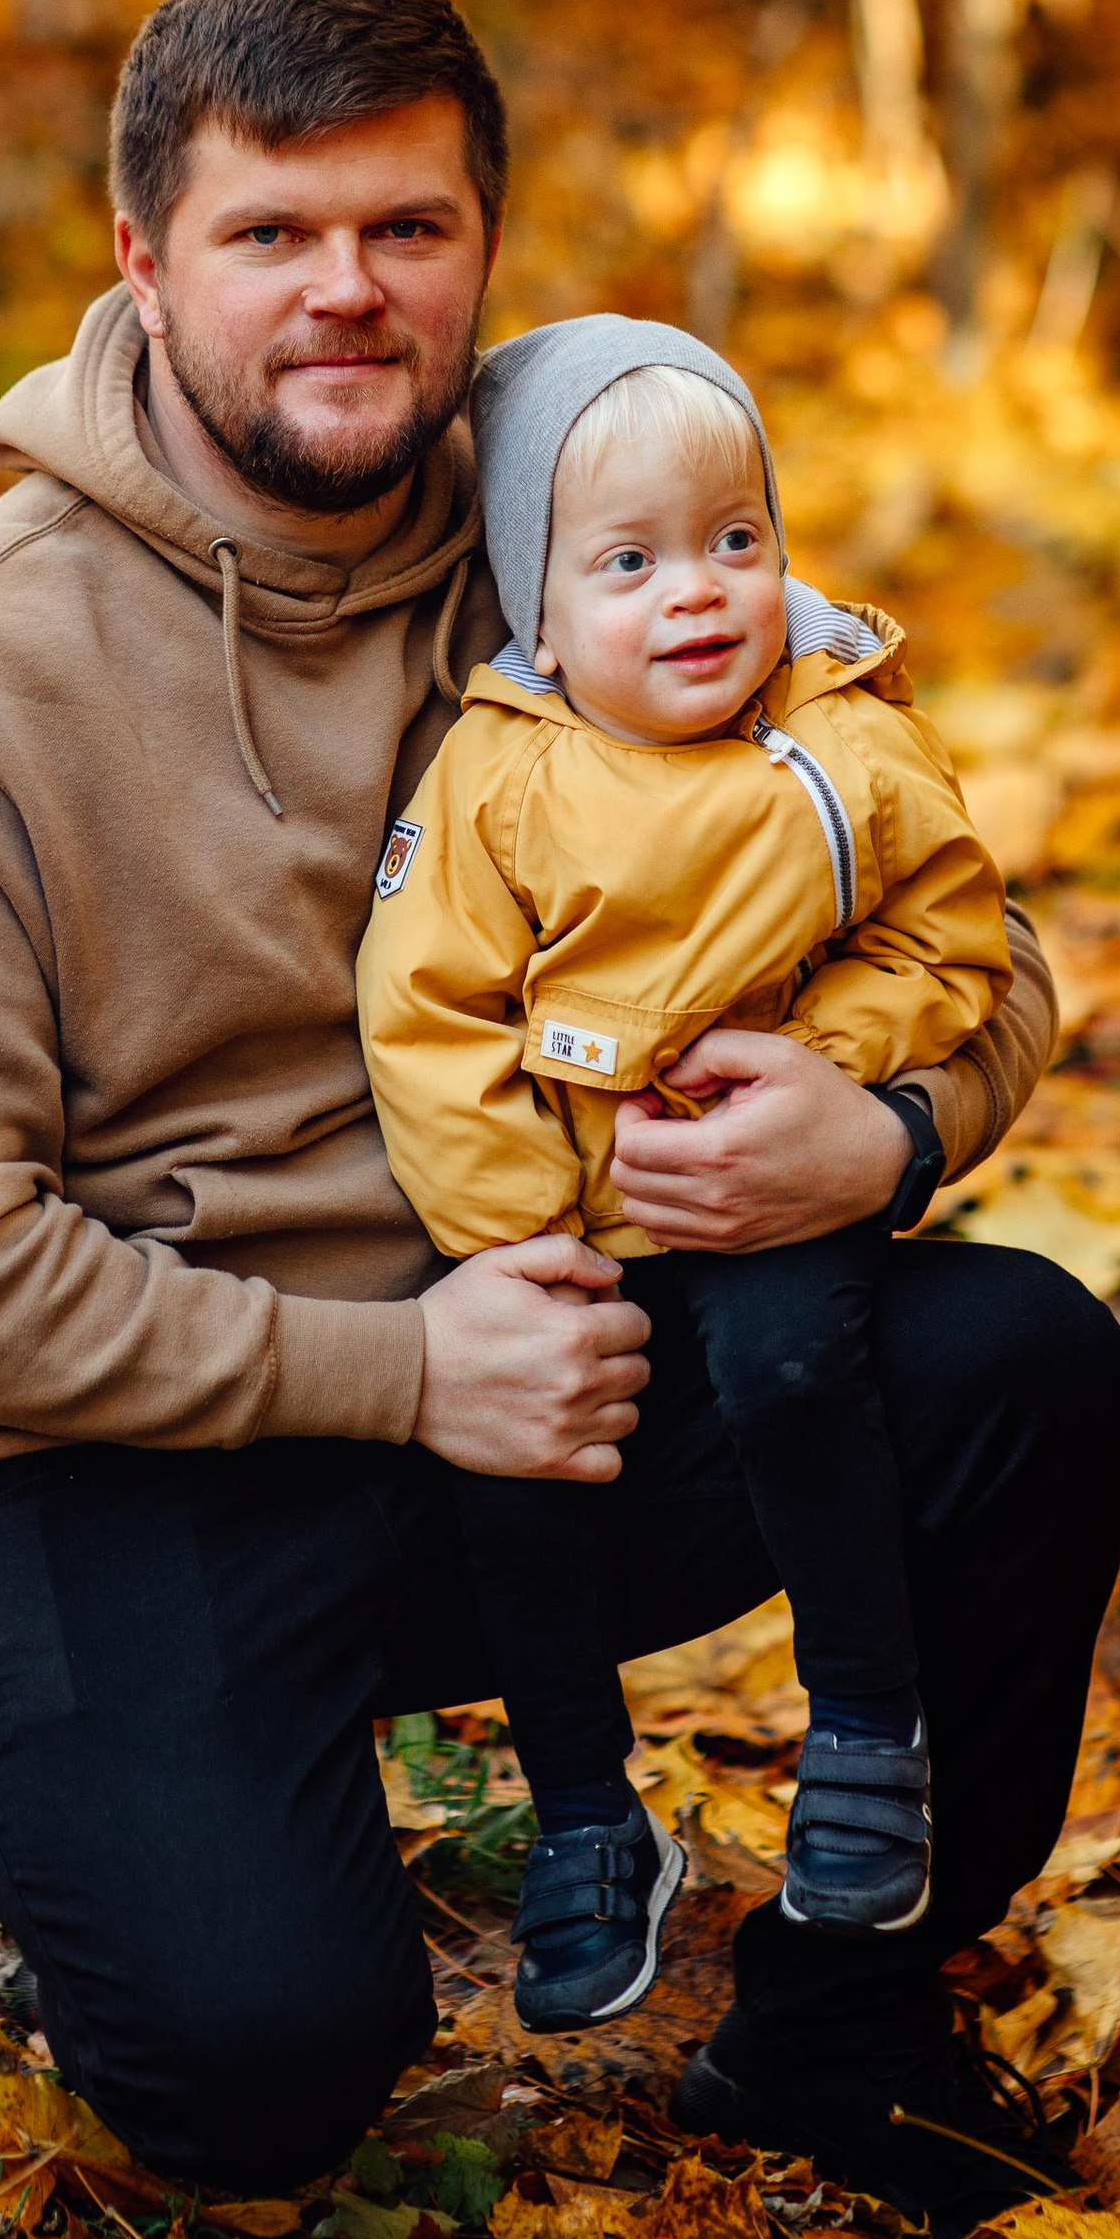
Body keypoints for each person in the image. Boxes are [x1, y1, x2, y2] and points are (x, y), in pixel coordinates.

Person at [0, 0, 1120, 2233]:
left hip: (536, 1386)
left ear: (483, 241)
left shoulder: (598, 548)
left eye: (407, 228)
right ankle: (191, 1853)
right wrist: (397, 1377)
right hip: (77, 1462)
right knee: (260, 2072)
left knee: (1015, 1364)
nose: (345, 293)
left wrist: (881, 1130)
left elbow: (957, 931)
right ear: (139, 257)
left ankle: (842, 2008)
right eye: (270, 233)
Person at [361, 321, 1013, 2029]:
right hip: (563, 1212)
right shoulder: (501, 773)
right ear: (544, 611)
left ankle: (869, 1728)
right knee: (519, 1465)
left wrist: (840, 1071)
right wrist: (512, 1234)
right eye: (631, 564)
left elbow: (955, 940)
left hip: (764, 1184)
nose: (700, 595)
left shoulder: (849, 736)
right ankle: (584, 1808)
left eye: (738, 542)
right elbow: (428, 1013)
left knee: (804, 1365)